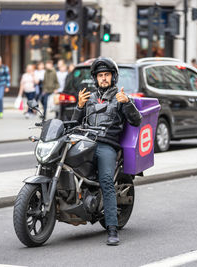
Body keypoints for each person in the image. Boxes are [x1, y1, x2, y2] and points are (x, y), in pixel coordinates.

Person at [72, 57, 142, 246]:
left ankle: (112, 229)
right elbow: (74, 123)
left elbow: (137, 121)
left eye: (107, 75)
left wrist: (127, 103)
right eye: (100, 75)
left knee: (106, 181)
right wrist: (79, 106)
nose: (103, 78)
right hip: (86, 142)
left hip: (107, 145)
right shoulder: (89, 98)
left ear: (113, 77)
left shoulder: (120, 97)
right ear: (96, 78)